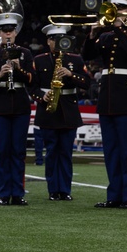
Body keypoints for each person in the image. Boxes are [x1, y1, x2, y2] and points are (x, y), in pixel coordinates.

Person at [82, 0, 127, 210]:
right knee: (110, 150)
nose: (115, 12)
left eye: (119, 9)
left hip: (126, 94)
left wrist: (119, 28)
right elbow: (88, 55)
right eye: (113, 9)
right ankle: (114, 195)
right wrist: (91, 35)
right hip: (107, 94)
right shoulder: (106, 35)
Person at [31, 24, 90, 201]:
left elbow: (87, 83)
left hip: (68, 110)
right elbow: (31, 87)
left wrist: (71, 74)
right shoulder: (39, 60)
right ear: (48, 41)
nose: (57, 43)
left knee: (65, 152)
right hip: (48, 109)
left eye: (60, 40)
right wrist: (42, 96)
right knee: (51, 152)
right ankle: (52, 190)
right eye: (53, 40)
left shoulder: (76, 59)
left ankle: (64, 190)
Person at [0, 12, 35, 206]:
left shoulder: (25, 53)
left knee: (18, 151)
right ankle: (4, 193)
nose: (8, 34)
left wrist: (18, 69)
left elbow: (33, 79)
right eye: (4, 31)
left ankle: (18, 193)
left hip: (20, 104)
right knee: (2, 151)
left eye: (11, 30)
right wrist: (0, 74)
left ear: (16, 32)